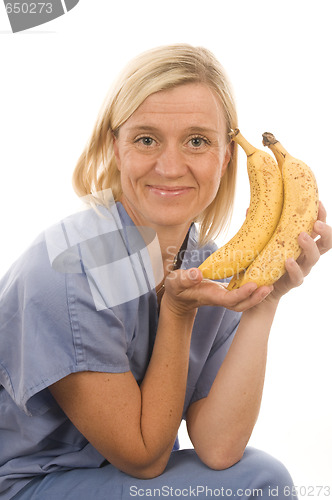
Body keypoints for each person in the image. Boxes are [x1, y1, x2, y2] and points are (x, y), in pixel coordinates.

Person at [0, 44, 331, 500]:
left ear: (226, 157)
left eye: (197, 141)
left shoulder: (209, 262)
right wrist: (177, 312)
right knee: (262, 484)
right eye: (146, 139)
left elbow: (218, 448)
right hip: (29, 485)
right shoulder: (69, 270)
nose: (171, 167)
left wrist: (265, 301)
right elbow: (144, 457)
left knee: (258, 474)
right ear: (115, 148)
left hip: (118, 482)